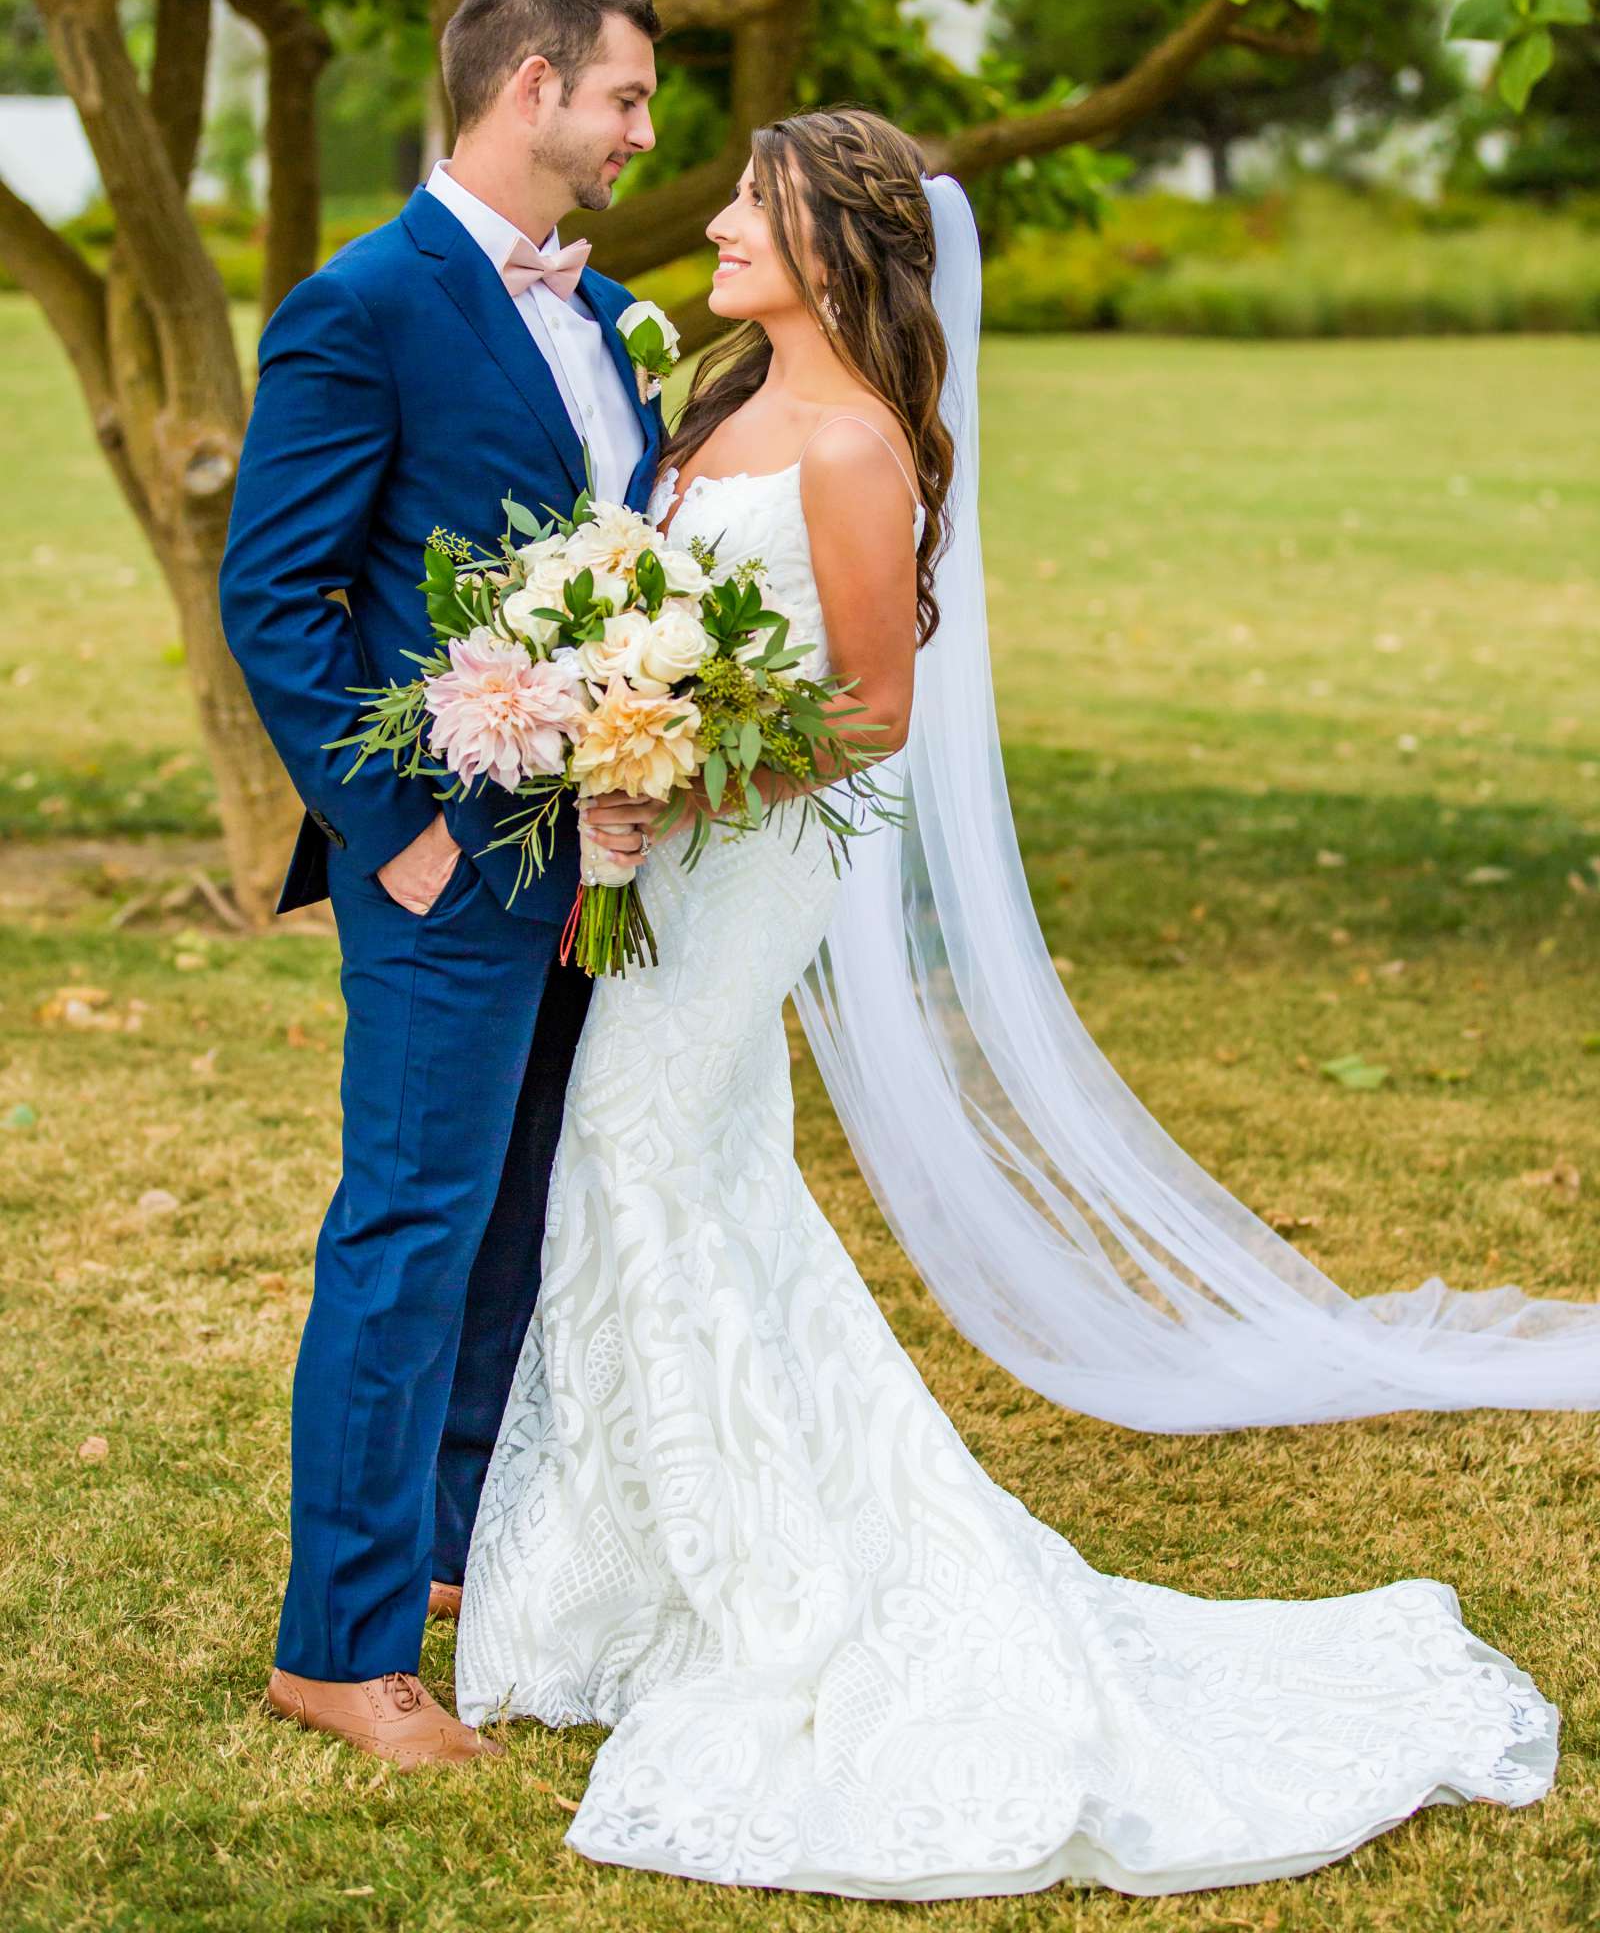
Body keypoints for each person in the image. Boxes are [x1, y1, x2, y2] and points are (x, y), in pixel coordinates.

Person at [455, 109, 1559, 1898]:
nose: (722, 220)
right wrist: (607, 709)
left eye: (756, 202)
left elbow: (874, 709)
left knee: (636, 1154)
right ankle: (650, 1575)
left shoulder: (859, 443)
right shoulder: (718, 403)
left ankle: (768, 1594)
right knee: (698, 1174)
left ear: (836, 247)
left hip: (752, 855)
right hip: (663, 842)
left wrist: (679, 765)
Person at [219, 0, 667, 1766]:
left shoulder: (612, 311)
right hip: (442, 869)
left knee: (518, 1226)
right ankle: (337, 1644)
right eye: (627, 96)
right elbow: (278, 596)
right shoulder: (365, 302)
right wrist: (390, 834)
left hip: (589, 864)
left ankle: (465, 1557)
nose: (646, 131)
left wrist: (640, 757)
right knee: (406, 1230)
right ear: (532, 86)